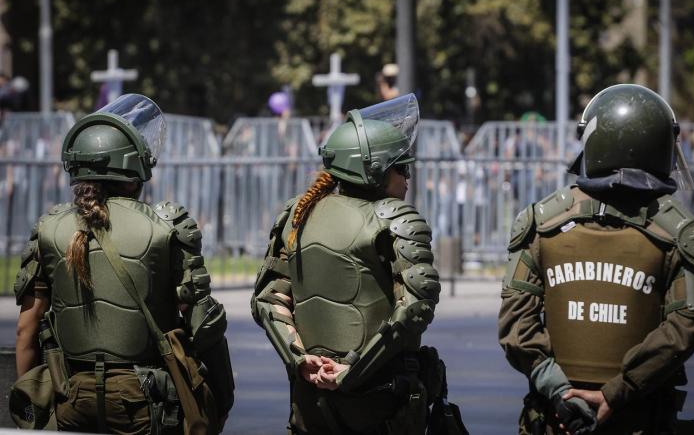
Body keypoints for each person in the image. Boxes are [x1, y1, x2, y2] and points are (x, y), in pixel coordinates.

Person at [13, 94, 234, 433]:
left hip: (70, 396)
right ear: (135, 170)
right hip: (147, 404)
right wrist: (222, 397)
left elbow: (25, 332)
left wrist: (33, 405)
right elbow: (203, 324)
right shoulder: (167, 226)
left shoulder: (48, 228)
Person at [498, 84, 694, 435]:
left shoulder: (541, 222)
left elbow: (515, 325)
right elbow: (684, 329)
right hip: (640, 417)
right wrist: (617, 392)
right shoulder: (681, 235)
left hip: (556, 419)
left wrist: (559, 390)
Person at [252, 94, 442, 434]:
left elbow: (270, 299)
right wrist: (349, 373)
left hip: (311, 399)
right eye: (402, 168)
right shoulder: (393, 217)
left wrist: (300, 360)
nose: (408, 178)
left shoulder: (298, 213)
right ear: (376, 170)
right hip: (380, 401)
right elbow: (415, 309)